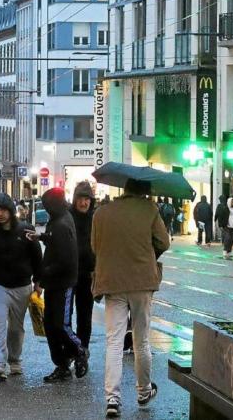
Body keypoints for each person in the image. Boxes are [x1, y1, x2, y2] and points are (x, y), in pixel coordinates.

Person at [91, 179, 170, 418]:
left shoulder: (102, 212)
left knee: (114, 342)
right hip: (141, 282)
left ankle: (112, 399)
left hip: (112, 282)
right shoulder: (149, 210)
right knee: (141, 340)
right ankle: (144, 390)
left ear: (124, 190)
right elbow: (163, 242)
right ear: (145, 191)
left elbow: (95, 246)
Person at [0, 193, 42, 381]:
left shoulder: (25, 231)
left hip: (21, 287)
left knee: (16, 328)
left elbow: (37, 257)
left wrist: (38, 281)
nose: (0, 214)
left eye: (3, 210)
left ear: (11, 212)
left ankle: (15, 360)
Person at [29, 188, 88, 382]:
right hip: (55, 282)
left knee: (60, 324)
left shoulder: (61, 223)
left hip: (63, 282)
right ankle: (62, 364)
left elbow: (66, 259)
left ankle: (79, 350)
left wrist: (43, 272)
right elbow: (57, 242)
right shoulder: (60, 219)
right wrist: (42, 237)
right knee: (51, 325)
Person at [69, 181, 96, 350]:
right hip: (69, 274)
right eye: (80, 198)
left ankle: (82, 350)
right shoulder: (67, 217)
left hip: (88, 275)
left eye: (87, 199)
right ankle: (71, 349)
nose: (83, 203)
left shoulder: (95, 219)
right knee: (65, 316)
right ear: (75, 199)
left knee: (85, 316)